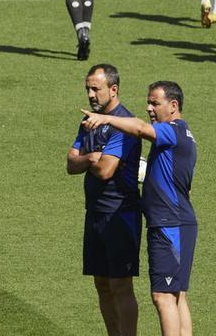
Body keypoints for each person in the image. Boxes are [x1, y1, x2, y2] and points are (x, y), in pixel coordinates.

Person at [81, 81, 197, 336]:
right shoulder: (182, 136)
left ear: (173, 106)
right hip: (175, 223)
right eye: (148, 103)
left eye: (155, 103)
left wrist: (106, 119)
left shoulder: (173, 131)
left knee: (162, 296)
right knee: (176, 296)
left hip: (170, 226)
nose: (149, 108)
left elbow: (141, 129)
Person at [67, 64, 142, 336]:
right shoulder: (89, 120)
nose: (90, 94)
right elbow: (71, 164)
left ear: (113, 89)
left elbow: (106, 170)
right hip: (95, 213)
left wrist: (90, 160)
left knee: (121, 285)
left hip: (120, 215)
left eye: (95, 88)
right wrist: (91, 157)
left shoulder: (125, 125)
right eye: (87, 88)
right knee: (101, 282)